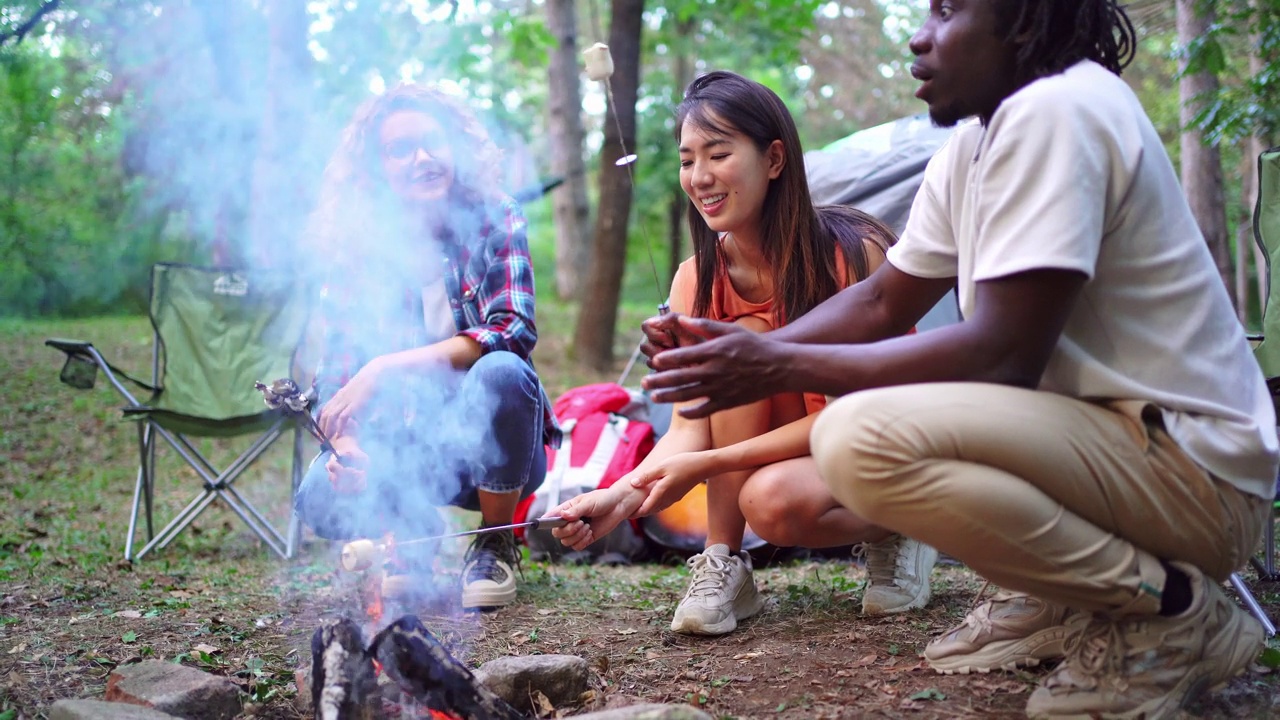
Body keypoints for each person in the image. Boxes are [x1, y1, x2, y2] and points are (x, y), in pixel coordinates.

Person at [627, 1, 1279, 716]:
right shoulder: (973, 149)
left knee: (859, 436)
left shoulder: (1061, 110)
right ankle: (1065, 599)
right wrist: (748, 350)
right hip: (1118, 456)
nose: (919, 35)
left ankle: (1176, 613)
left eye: (947, 11)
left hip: (1194, 475)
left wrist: (776, 363)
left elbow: (1002, 355)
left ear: (1021, 21)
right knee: (859, 431)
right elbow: (884, 305)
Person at [551, 71, 934, 637]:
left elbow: (846, 419)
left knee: (769, 491)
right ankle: (722, 560)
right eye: (687, 160)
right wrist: (617, 495)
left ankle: (899, 528)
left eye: (719, 154)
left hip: (882, 443)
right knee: (762, 473)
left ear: (774, 159)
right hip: (797, 450)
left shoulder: (849, 258)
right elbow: (688, 430)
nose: (699, 177)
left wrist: (703, 465)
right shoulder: (695, 281)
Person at [293, 83, 560, 611]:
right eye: (400, 150)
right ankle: (409, 534)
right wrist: (347, 452)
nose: (423, 158)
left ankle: (495, 539)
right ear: (377, 170)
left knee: (502, 371)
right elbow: (334, 382)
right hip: (407, 450)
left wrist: (387, 367)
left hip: (495, 449)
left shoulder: (494, 215)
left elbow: (511, 328)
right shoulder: (358, 249)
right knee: (319, 499)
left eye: (433, 142)